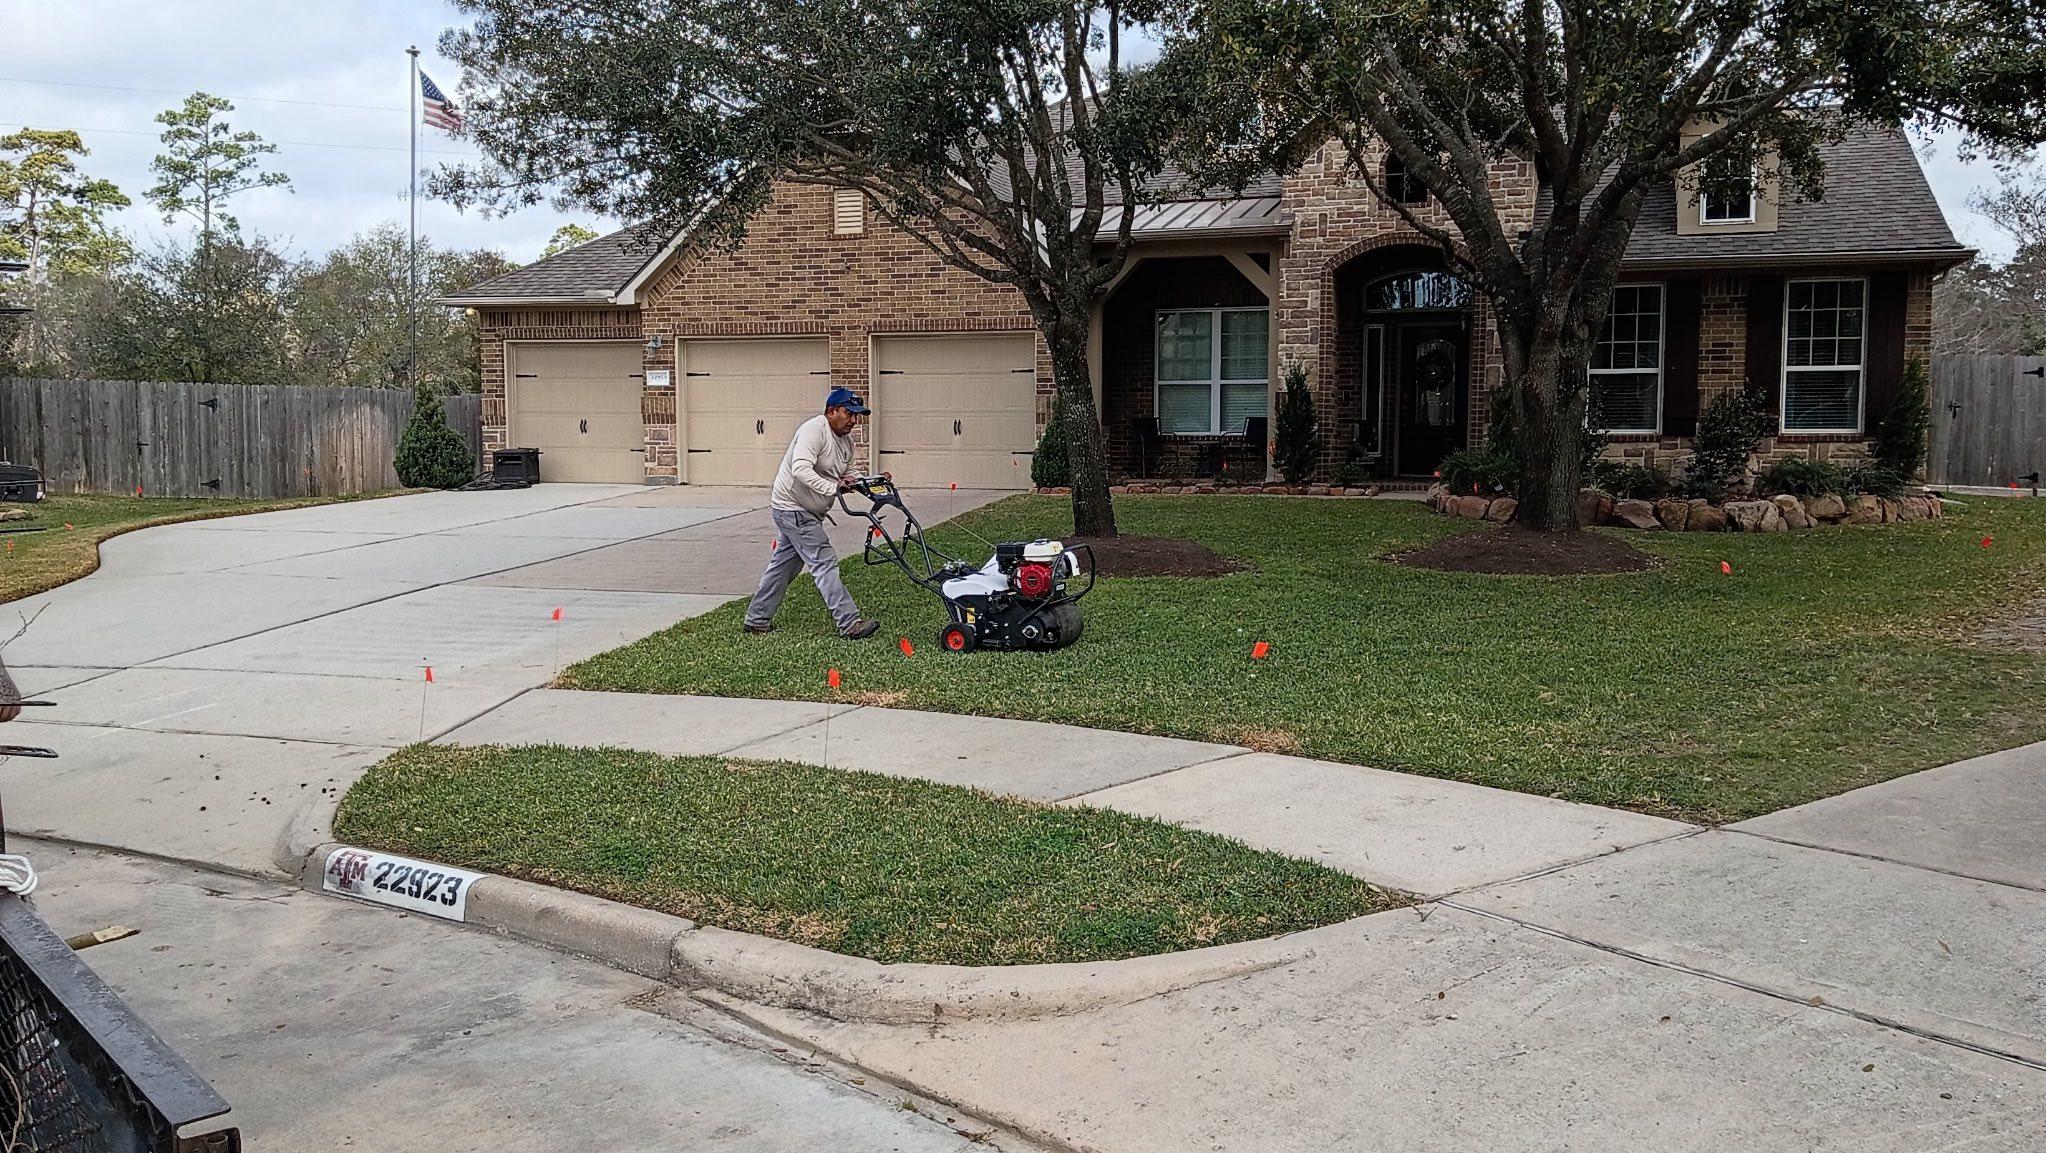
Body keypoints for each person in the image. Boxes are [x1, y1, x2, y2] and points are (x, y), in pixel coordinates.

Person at [743, 387, 882, 639]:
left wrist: (873, 481)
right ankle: (849, 623)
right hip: (792, 508)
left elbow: (849, 473)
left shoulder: (845, 442)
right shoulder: (813, 430)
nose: (854, 421)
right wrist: (833, 487)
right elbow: (800, 469)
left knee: (784, 566)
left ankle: (757, 619)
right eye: (848, 414)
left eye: (857, 416)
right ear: (831, 411)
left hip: (807, 511)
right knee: (824, 561)